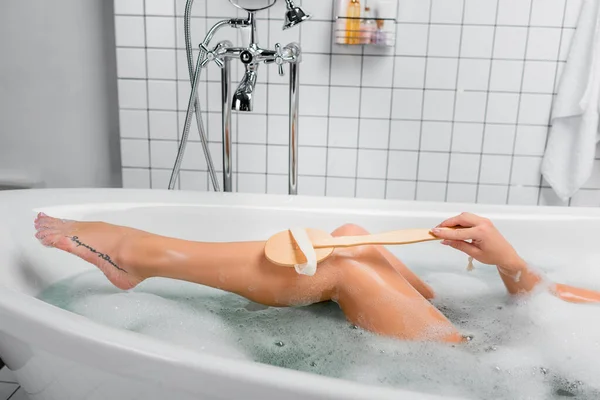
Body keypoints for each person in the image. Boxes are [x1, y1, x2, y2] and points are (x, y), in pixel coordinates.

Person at [33, 212, 600, 343]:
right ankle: (139, 257)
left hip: (497, 369)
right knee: (353, 234)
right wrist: (509, 260)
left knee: (342, 264)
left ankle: (142, 256)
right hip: (513, 339)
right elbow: (565, 303)